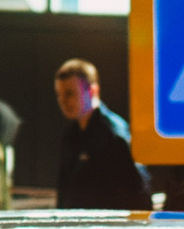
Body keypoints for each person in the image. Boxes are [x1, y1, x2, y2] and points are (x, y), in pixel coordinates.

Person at [54, 58, 150, 211]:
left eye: (69, 94)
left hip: (107, 224)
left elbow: (137, 192)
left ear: (93, 91)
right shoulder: (70, 134)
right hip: (76, 223)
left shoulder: (114, 134)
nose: (63, 101)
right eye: (59, 95)